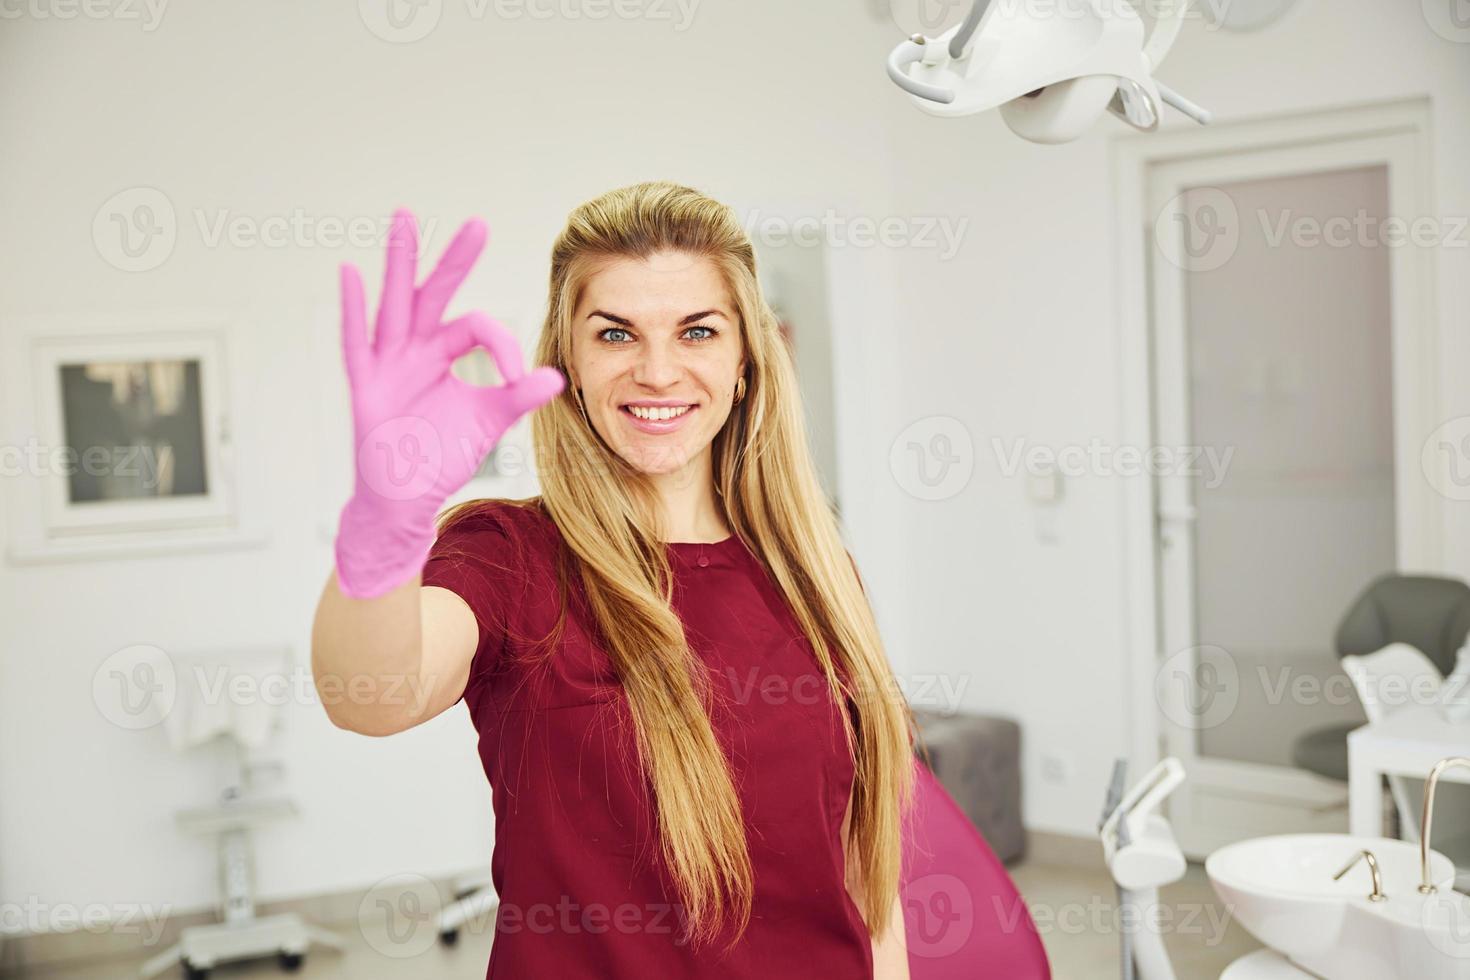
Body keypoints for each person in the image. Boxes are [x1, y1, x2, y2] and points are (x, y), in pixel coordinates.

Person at [311, 181, 917, 978]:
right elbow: (371, 696)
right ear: (569, 360)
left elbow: (863, 872)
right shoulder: (511, 556)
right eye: (616, 334)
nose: (658, 371)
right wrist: (384, 520)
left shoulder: (820, 575)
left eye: (697, 331)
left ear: (744, 364)